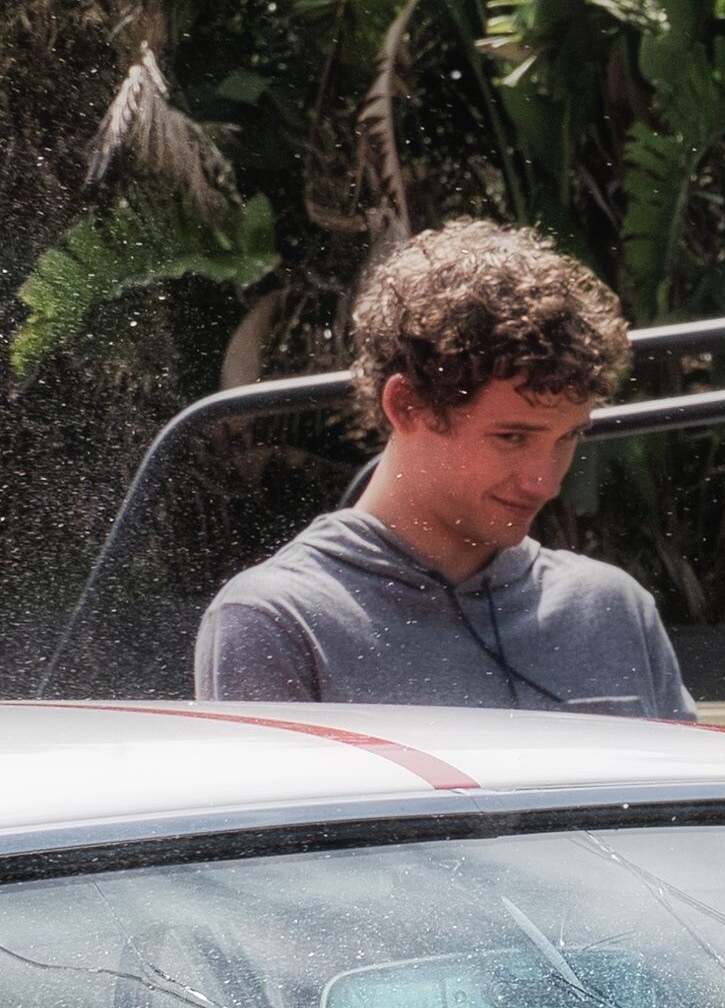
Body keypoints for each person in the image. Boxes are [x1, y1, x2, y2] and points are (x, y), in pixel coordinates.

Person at [195, 221, 691, 718]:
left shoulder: (614, 610)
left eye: (568, 437)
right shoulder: (280, 623)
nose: (545, 482)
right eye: (512, 438)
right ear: (408, 406)